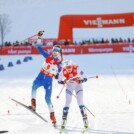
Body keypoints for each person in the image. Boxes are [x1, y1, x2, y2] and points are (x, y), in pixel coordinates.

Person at [29, 41, 63, 125]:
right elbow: (40, 49)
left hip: (48, 81)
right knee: (33, 87)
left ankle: (52, 115)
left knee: (47, 98)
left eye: (56, 53)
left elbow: (60, 69)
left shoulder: (59, 62)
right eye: (54, 52)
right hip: (40, 77)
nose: (55, 54)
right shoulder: (48, 56)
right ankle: (33, 105)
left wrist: (58, 74)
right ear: (52, 52)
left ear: (58, 54)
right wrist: (39, 41)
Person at [58, 59, 89, 130]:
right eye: (67, 67)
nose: (68, 69)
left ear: (72, 66)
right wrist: (64, 81)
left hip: (78, 86)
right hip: (69, 86)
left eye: (69, 67)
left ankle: (85, 120)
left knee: (80, 103)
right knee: (67, 103)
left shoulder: (77, 68)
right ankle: (63, 121)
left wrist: (80, 80)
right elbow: (59, 81)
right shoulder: (63, 70)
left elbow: (86, 77)